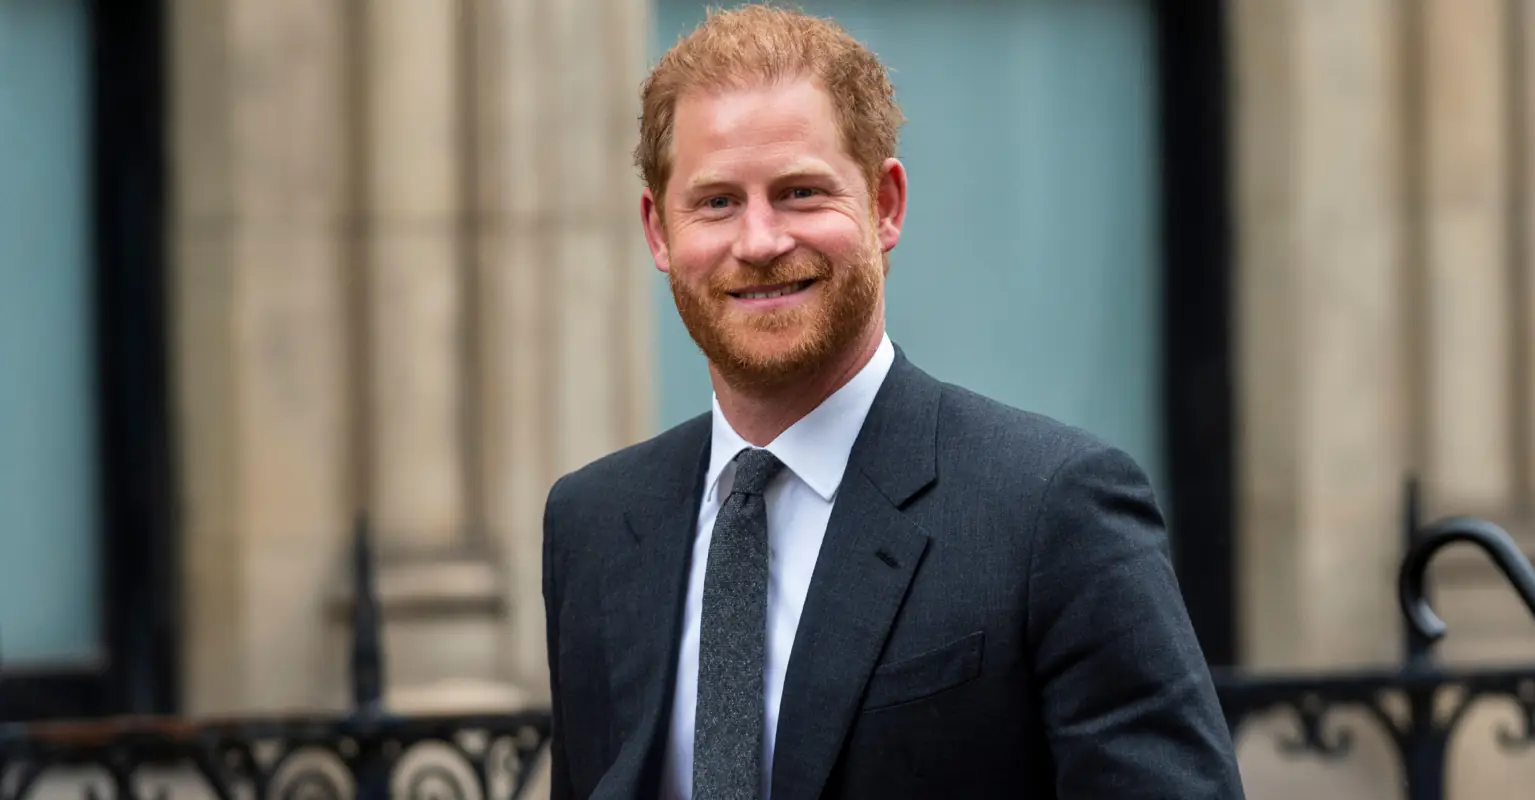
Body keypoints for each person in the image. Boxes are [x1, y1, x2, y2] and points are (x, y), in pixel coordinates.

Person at [541, 5, 1245, 798]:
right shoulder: (593, 524)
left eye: (800, 192)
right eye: (716, 202)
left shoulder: (1051, 510)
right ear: (657, 231)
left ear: (885, 206)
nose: (759, 241)